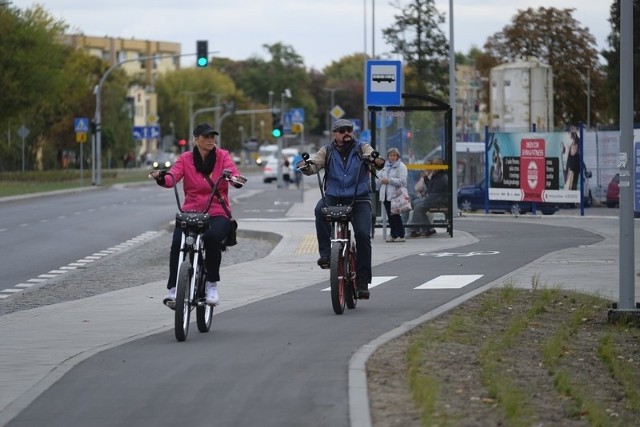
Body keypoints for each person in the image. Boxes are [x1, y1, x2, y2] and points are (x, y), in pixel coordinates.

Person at [149, 123, 247, 308]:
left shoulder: (222, 156)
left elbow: (232, 173)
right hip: (191, 212)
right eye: (206, 137)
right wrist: (161, 177)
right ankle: (173, 290)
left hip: (217, 212)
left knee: (211, 238)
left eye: (213, 136)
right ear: (196, 139)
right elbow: (173, 176)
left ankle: (211, 285)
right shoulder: (185, 159)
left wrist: (236, 180)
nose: (211, 140)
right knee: (177, 242)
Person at [297, 118, 385, 299]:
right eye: (342, 130)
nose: (347, 133)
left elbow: (374, 156)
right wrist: (306, 166)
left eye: (349, 130)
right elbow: (315, 164)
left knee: (362, 235)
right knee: (319, 210)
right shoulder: (327, 151)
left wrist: (375, 160)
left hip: (359, 198)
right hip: (334, 196)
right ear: (334, 134)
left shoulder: (362, 147)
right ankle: (327, 255)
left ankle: (362, 281)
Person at [406, 157, 448, 238]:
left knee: (418, 208)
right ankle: (429, 229)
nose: (434, 166)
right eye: (433, 164)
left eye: (437, 165)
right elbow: (431, 190)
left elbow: (434, 194)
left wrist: (425, 202)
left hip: (440, 202)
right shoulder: (438, 175)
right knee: (416, 205)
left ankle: (415, 230)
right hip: (437, 200)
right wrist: (425, 178)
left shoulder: (441, 177)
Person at [376, 147, 408, 242]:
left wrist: (389, 181)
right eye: (390, 155)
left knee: (396, 215)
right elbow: (378, 177)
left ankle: (401, 235)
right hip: (385, 194)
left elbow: (403, 181)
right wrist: (380, 181)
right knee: (390, 216)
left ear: (398, 156)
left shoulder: (401, 166)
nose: (392, 157)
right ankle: (393, 234)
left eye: (394, 155)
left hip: (395, 195)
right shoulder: (384, 166)